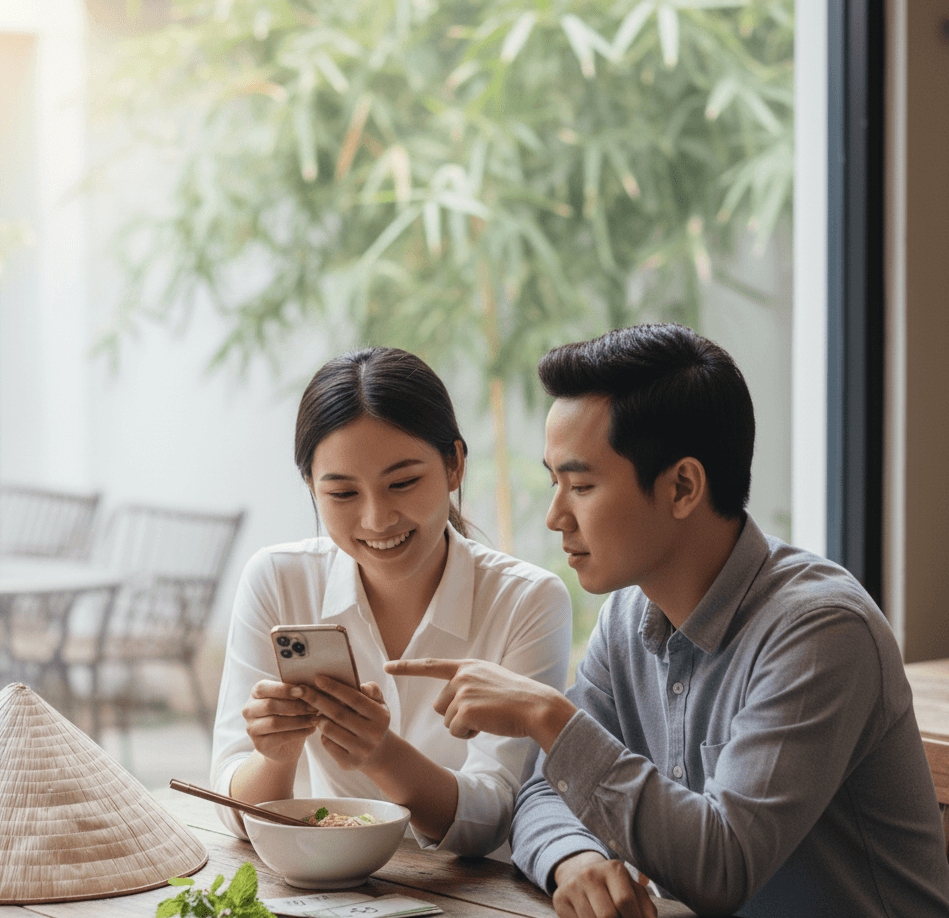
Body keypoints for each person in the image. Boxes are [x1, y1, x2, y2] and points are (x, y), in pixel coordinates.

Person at [387, 324, 949, 916]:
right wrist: (572, 859)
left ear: (683, 486)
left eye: (580, 485)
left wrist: (545, 714)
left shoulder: (821, 633)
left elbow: (723, 866)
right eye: (555, 482)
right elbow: (545, 791)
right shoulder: (628, 617)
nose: (555, 516)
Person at [210, 346, 572, 858]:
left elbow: (498, 813)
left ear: (455, 466)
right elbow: (232, 807)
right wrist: (277, 756)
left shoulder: (527, 601)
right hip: (328, 888)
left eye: (402, 483)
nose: (378, 519)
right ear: (310, 487)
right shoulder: (277, 579)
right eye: (342, 494)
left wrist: (382, 755)